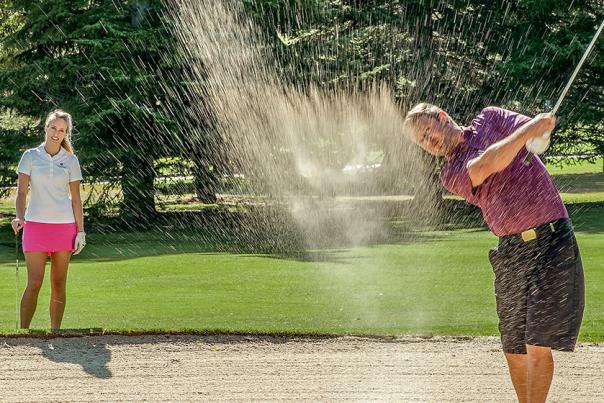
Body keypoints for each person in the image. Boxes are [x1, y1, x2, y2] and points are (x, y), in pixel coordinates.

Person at [403, 103, 584, 403]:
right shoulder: (451, 173)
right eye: (420, 140)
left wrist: (541, 128)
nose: (427, 141)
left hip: (552, 241)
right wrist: (530, 129)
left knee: (537, 343)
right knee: (514, 350)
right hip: (511, 252)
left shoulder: (491, 117)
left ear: (443, 117)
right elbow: (486, 164)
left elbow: (537, 130)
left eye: (427, 130)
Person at [11, 109, 87, 331]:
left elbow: (75, 200)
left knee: (58, 283)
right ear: (45, 127)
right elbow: (21, 193)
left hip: (64, 228)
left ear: (66, 134)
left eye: (61, 130)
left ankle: (55, 333)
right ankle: (23, 335)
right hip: (35, 227)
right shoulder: (30, 156)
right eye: (53, 128)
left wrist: (80, 230)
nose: (56, 133)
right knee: (34, 283)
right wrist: (19, 217)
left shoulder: (71, 160)